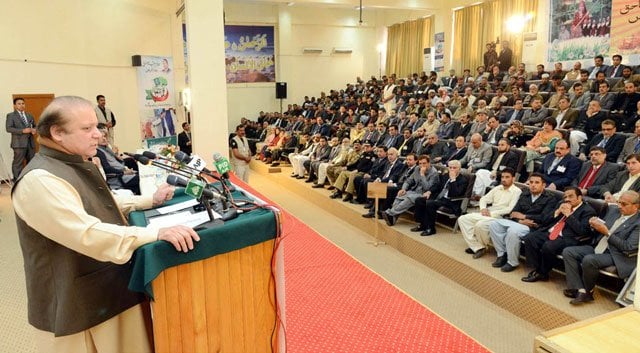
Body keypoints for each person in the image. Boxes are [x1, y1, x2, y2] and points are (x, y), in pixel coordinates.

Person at [12, 96, 200, 353]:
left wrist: (149, 200)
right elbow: (86, 233)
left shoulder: (72, 163)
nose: (98, 135)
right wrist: (155, 233)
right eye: (87, 128)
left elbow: (96, 205)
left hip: (109, 290)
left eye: (97, 127)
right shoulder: (40, 180)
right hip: (77, 307)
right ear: (57, 133)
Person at [562, 190, 640, 304]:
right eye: (619, 202)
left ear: (636, 206)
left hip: (616, 254)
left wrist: (607, 233)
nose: (619, 206)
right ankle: (579, 289)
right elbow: (599, 228)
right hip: (598, 246)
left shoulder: (637, 223)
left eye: (624, 204)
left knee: (589, 259)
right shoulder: (613, 210)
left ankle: (588, 292)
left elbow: (628, 247)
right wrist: (593, 225)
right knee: (568, 252)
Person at [521, 187, 596, 283]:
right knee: (530, 238)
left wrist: (569, 215)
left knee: (548, 246)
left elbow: (582, 231)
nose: (567, 199)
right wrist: (557, 212)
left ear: (579, 197)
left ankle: (542, 273)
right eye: (565, 197)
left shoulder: (588, 211)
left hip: (567, 237)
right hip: (551, 231)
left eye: (571, 196)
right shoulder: (561, 204)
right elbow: (544, 220)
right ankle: (537, 268)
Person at [487, 173, 559, 272]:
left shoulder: (550, 198)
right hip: (520, 223)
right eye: (531, 182)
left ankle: (512, 262)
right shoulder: (525, 193)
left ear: (543, 185)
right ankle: (502, 254)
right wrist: (520, 220)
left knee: (513, 231)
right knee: (494, 224)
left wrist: (525, 216)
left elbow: (544, 218)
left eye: (537, 182)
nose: (533, 185)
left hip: (534, 227)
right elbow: (514, 212)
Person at [460, 168, 521, 259]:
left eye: (507, 177)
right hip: (487, 213)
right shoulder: (497, 188)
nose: (504, 179)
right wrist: (483, 208)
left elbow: (509, 209)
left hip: (500, 217)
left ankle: (479, 246)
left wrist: (492, 213)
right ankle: (477, 246)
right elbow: (484, 199)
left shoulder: (517, 191)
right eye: (502, 177)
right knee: (463, 219)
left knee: (480, 225)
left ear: (513, 178)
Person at [5, 97, 36, 181]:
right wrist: (22, 130)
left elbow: (34, 126)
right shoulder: (11, 116)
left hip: (30, 143)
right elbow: (9, 128)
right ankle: (17, 180)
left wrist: (34, 130)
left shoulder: (29, 115)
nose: (21, 105)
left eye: (23, 103)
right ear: (15, 105)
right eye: (19, 104)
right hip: (18, 144)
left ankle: (31, 179)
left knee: (32, 162)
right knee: (18, 163)